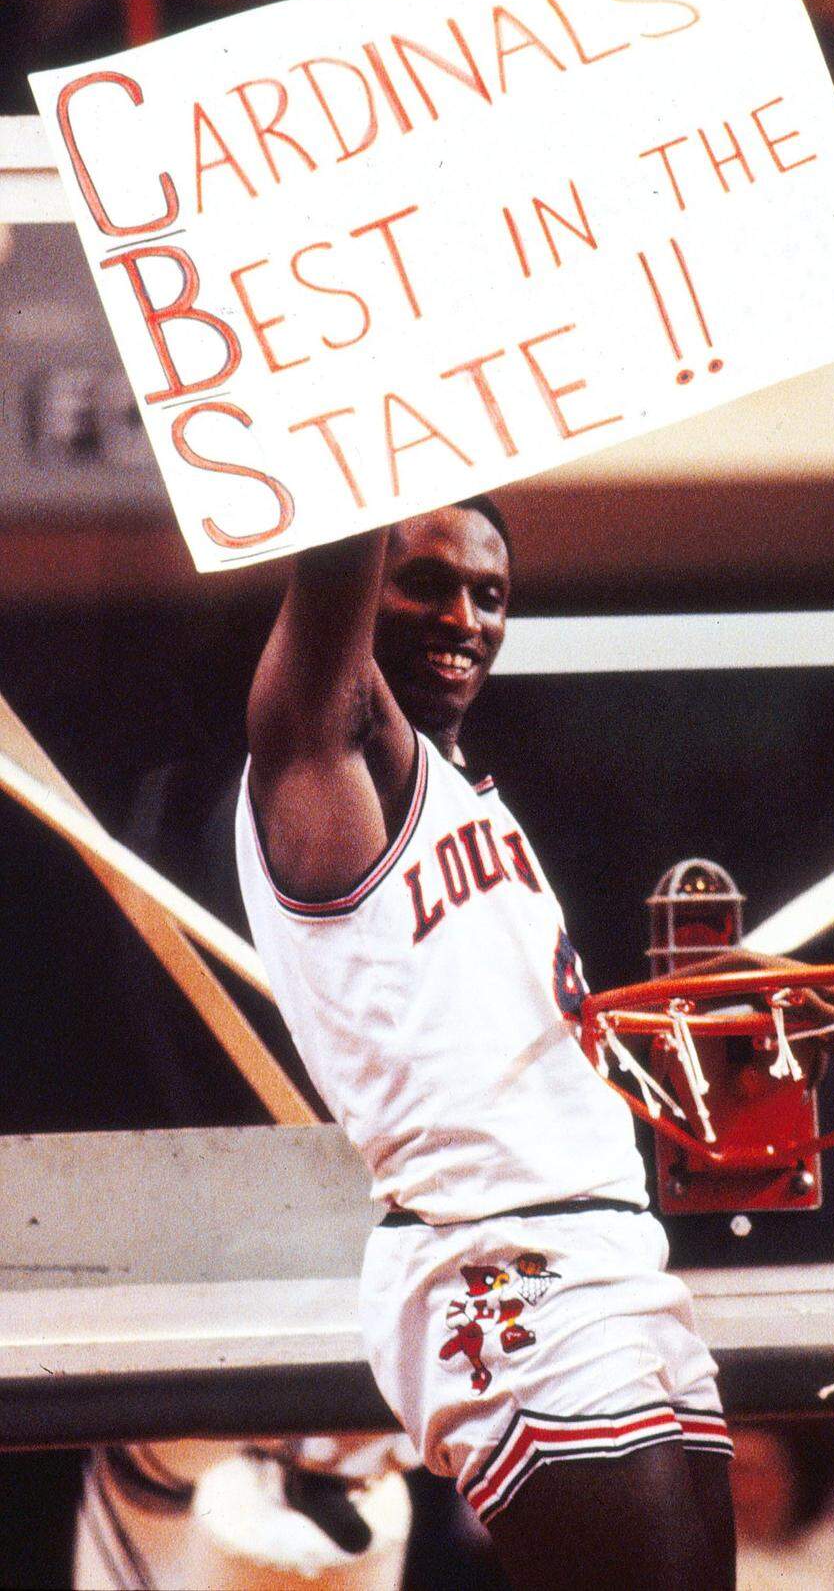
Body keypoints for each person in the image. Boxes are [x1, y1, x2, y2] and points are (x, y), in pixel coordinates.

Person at [235, 494, 736, 1591]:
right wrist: (351, 423)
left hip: (611, 1248)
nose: (463, 614)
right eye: (422, 578)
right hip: (500, 1256)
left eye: (490, 593)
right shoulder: (318, 767)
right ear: (363, 582)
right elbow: (331, 564)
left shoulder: (469, 797)